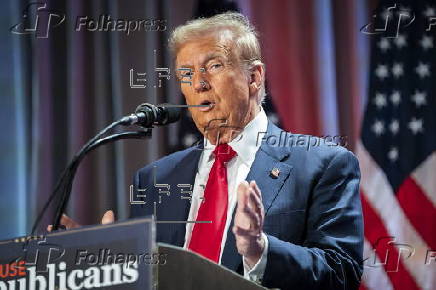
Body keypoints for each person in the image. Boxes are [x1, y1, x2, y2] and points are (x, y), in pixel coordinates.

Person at [54, 12, 364, 290]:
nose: (198, 84)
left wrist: (259, 249)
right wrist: (106, 261)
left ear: (254, 77)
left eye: (213, 66)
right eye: (186, 75)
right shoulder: (154, 178)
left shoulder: (323, 164)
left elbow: (342, 272)